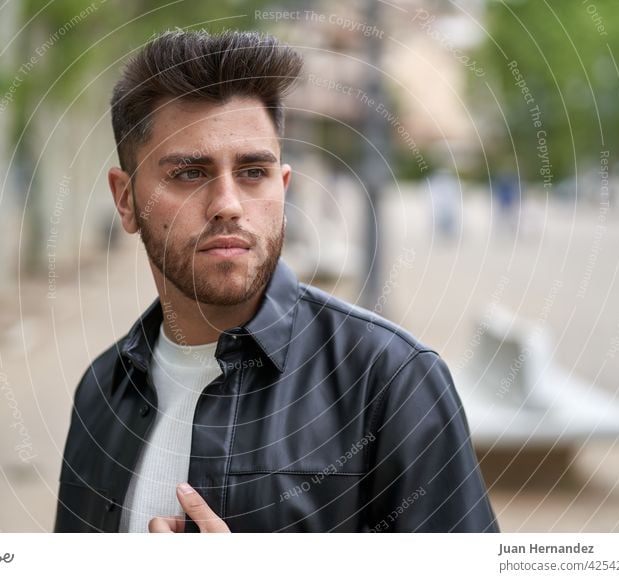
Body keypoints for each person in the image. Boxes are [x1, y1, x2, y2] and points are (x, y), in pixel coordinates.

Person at [54, 29, 498, 533]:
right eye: (189, 174)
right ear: (126, 200)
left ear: (282, 187)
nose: (227, 204)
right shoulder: (100, 391)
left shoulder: (391, 383)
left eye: (252, 172)